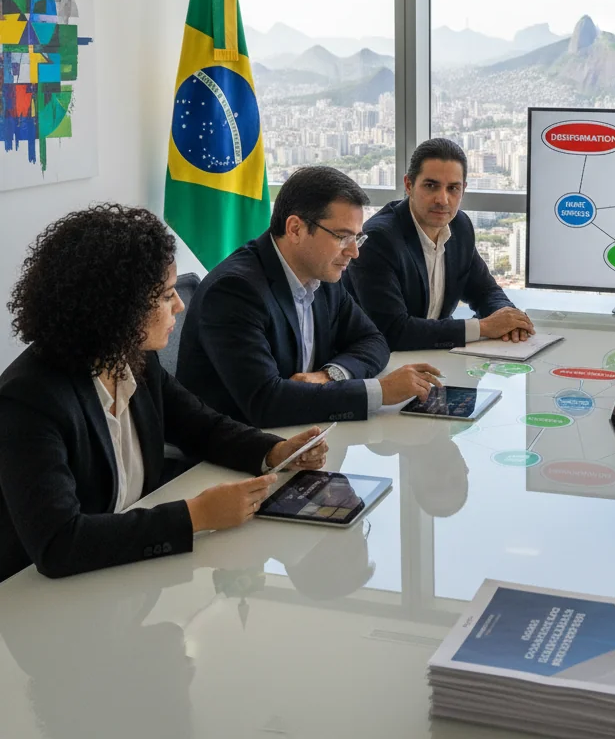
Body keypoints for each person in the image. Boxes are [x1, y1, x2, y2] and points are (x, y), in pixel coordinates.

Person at [0, 204, 331, 584]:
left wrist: (272, 451)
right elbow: (59, 544)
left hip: (123, 574)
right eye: (166, 295)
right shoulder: (30, 399)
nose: (180, 305)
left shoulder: (132, 358)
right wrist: (196, 515)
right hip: (34, 602)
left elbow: (200, 426)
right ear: (117, 307)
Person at [177, 166, 442, 427]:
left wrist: (330, 375)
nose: (354, 252)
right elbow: (266, 403)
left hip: (301, 435)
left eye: (357, 239)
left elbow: (372, 340)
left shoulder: (322, 274)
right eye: (342, 237)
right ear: (295, 229)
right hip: (225, 457)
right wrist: (379, 391)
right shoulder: (235, 291)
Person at [344, 137, 535, 350]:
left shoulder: (460, 226)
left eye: (453, 188)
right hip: (381, 362)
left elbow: (485, 291)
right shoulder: (379, 239)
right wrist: (483, 327)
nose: (442, 199)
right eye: (431, 186)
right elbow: (393, 330)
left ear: (463, 189)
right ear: (409, 185)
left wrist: (509, 320)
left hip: (435, 355)